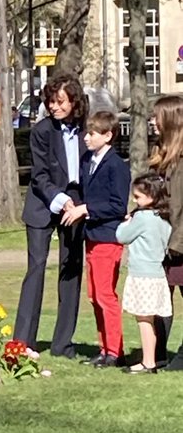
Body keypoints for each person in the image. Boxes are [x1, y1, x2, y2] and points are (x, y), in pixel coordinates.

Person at [14, 72, 88, 358]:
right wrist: (60, 200)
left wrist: (79, 204)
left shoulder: (86, 128)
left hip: (76, 205)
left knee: (70, 270)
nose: (54, 107)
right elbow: (40, 174)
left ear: (74, 102)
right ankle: (23, 341)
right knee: (36, 267)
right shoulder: (42, 131)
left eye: (60, 102)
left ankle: (62, 344)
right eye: (50, 102)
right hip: (44, 203)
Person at [61, 110, 130, 366]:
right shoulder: (88, 161)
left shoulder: (116, 166)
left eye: (91, 134)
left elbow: (118, 206)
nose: (86, 138)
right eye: (86, 133)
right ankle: (105, 348)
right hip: (91, 236)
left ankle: (115, 351)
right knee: (94, 296)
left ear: (108, 135)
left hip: (108, 237)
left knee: (105, 295)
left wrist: (87, 208)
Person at [116, 172, 172, 374]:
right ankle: (152, 358)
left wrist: (127, 222)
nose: (134, 200)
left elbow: (122, 236)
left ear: (151, 197)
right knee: (149, 319)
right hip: (157, 274)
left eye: (138, 197)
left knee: (144, 320)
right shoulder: (163, 219)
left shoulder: (141, 218)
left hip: (142, 274)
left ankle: (148, 361)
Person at [148, 94, 183, 368]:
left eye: (156, 117)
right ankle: (156, 354)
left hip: (177, 244)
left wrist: (175, 245)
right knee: (159, 298)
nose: (152, 122)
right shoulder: (161, 156)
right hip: (160, 243)